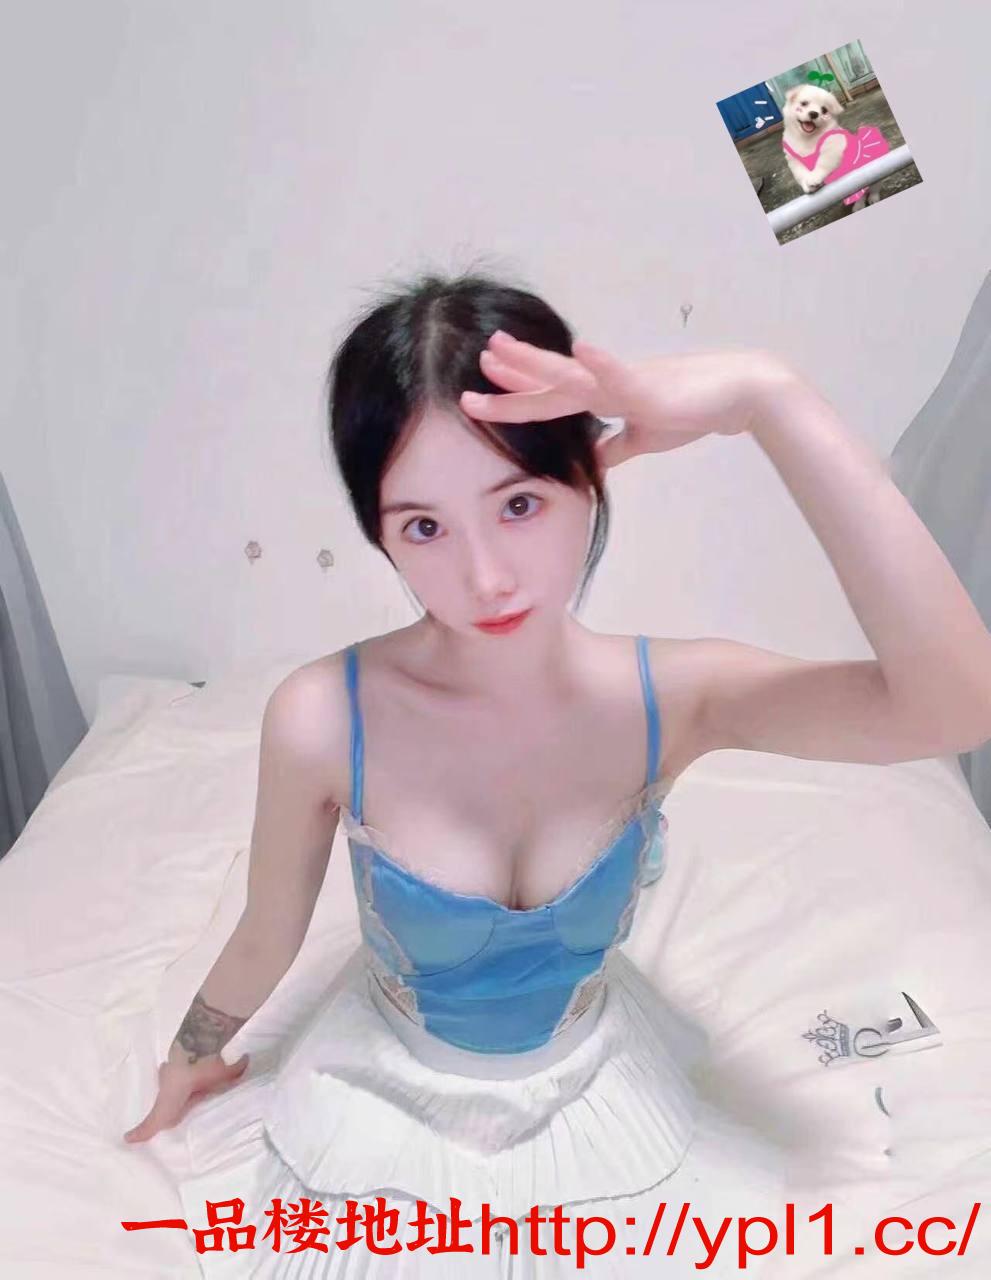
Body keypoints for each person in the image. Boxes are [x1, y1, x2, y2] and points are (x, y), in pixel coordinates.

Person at [122, 269, 991, 1276]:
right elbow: (267, 926)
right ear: (379, 534)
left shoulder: (669, 697)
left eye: (520, 503)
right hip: (382, 1106)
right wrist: (192, 1055)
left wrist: (767, 397)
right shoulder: (324, 716)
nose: (485, 576)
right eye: (423, 527)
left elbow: (953, 707)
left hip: (598, 1093)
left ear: (590, 477)